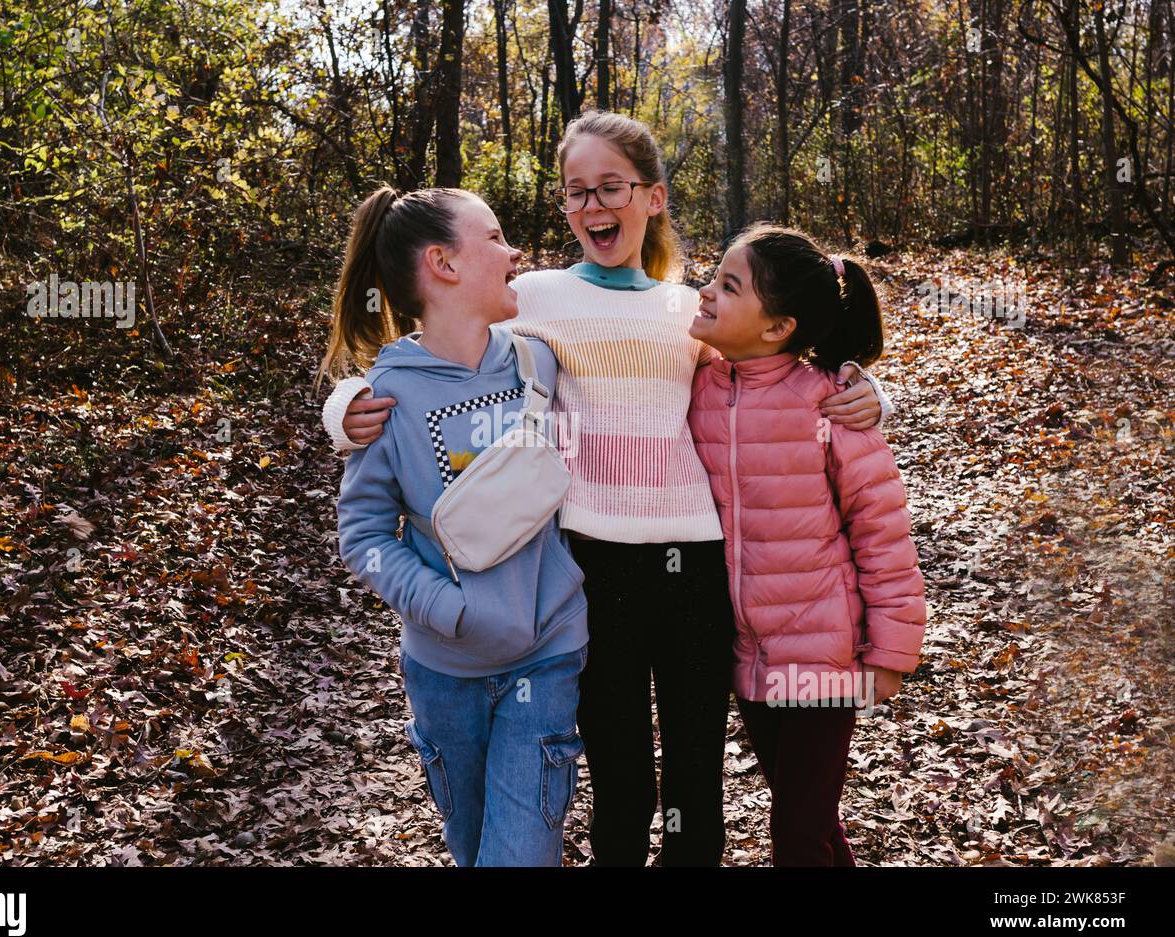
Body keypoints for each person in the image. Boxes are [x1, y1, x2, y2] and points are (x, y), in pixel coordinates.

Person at [320, 111, 891, 866]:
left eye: (611, 187)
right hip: (591, 568)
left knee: (695, 778)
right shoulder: (537, 300)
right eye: (575, 192)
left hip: (695, 566)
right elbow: (440, 351)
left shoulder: (694, 309)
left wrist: (874, 393)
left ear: (652, 198)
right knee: (620, 778)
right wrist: (343, 407)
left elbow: (778, 370)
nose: (593, 207)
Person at [329, 184, 588, 866]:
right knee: (473, 850)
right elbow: (363, 536)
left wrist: (861, 386)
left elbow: (663, 350)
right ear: (443, 264)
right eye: (496, 237)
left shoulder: (539, 361)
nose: (515, 251)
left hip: (548, 651)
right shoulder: (386, 398)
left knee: (522, 856)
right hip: (445, 672)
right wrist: (450, 610)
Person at [686, 223, 926, 866]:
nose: (705, 291)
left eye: (727, 285)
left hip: (823, 652)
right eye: (713, 275)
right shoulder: (696, 382)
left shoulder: (830, 403)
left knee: (795, 834)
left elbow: (882, 530)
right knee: (811, 826)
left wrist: (893, 652)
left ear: (776, 327)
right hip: (748, 651)